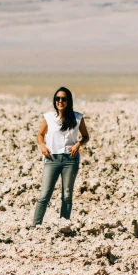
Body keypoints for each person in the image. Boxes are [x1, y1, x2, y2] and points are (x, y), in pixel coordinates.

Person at [31, 87, 90, 227]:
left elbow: (86, 137)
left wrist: (78, 144)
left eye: (63, 99)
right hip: (51, 159)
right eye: (58, 98)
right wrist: (42, 146)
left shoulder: (77, 117)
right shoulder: (49, 117)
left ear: (69, 101)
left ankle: (64, 226)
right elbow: (40, 135)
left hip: (70, 159)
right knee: (44, 195)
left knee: (67, 195)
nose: (60, 101)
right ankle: (35, 227)